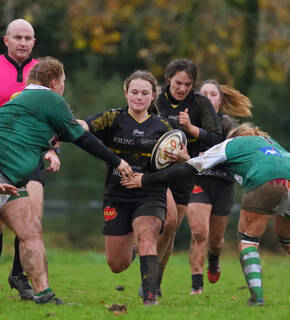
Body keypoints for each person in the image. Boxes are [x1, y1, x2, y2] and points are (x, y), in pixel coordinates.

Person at [121, 122, 290, 306]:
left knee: (249, 240)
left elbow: (189, 169)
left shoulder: (230, 144)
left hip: (266, 180)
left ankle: (257, 297)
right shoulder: (273, 145)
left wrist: (146, 180)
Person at [0, 56, 132, 304]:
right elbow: (82, 138)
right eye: (63, 83)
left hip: (11, 180)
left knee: (30, 232)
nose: (63, 89)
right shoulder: (50, 98)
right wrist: (117, 161)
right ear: (54, 83)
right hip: (3, 174)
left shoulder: (21, 99)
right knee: (31, 233)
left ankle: (44, 296)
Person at [78, 70, 175, 306]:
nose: (138, 97)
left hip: (150, 194)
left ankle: (150, 298)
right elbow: (85, 126)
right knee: (116, 264)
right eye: (134, 92)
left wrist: (180, 158)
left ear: (153, 96)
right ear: (126, 93)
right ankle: (133, 244)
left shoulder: (164, 126)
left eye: (144, 93)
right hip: (117, 195)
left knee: (146, 236)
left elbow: (177, 165)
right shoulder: (112, 118)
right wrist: (73, 124)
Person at [0, 18, 60, 300]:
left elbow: (53, 116)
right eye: (18, 37)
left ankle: (19, 276)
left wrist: (52, 149)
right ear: (6, 40)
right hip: (1, 157)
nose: (23, 43)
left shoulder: (42, 72)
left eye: (28, 38)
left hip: (30, 156)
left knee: (33, 216)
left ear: (34, 42)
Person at [153, 59, 222, 296]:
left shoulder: (200, 103)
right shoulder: (156, 99)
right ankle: (149, 277)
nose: (182, 88)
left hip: (185, 172)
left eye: (188, 84)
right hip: (157, 171)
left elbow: (215, 138)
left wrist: (192, 130)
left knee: (171, 230)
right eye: (178, 83)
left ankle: (155, 282)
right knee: (168, 220)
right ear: (168, 79)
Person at [187, 80, 253, 294]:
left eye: (212, 94)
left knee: (215, 241)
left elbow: (240, 149)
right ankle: (196, 286)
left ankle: (214, 260)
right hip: (197, 183)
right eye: (203, 93)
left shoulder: (228, 125)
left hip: (223, 186)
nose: (207, 97)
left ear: (220, 100)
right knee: (199, 233)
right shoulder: (188, 123)